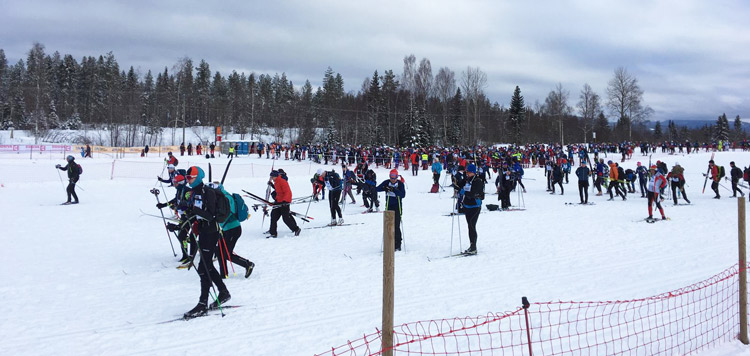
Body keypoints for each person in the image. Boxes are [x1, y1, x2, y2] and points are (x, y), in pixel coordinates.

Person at [182, 166, 231, 319]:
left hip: (211, 232)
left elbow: (209, 216)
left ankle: (203, 304)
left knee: (204, 266)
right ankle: (223, 292)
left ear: (197, 177)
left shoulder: (206, 192)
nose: (188, 180)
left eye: (190, 177)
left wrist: (194, 211)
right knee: (206, 265)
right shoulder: (195, 192)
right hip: (203, 231)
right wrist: (180, 224)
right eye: (187, 177)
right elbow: (195, 213)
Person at [211, 183, 255, 279]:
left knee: (227, 253)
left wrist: (215, 216)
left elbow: (227, 213)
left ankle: (248, 264)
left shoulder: (226, 197)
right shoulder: (219, 197)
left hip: (233, 229)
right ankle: (224, 274)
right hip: (226, 229)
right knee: (219, 252)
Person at [377, 169, 406, 251]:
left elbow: (403, 195)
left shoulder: (400, 184)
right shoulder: (387, 182)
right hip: (389, 206)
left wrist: (394, 190)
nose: (393, 179)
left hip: (397, 207)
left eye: (394, 177)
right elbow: (377, 189)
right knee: (388, 225)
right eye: (391, 177)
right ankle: (389, 243)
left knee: (396, 225)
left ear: (397, 177)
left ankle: (397, 244)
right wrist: (385, 188)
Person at [268, 170, 301, 238]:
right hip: (278, 202)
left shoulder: (282, 181)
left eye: (272, 177)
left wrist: (285, 201)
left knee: (286, 218)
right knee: (273, 217)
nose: (271, 178)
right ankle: (273, 233)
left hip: (284, 203)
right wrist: (271, 185)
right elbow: (278, 190)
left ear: (275, 176)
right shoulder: (276, 182)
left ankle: (296, 229)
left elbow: (288, 192)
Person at [459, 164, 483, 255]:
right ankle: (471, 245)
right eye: (466, 172)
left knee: (472, 226)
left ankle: (474, 247)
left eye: (468, 172)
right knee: (469, 226)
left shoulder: (478, 181)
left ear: (473, 172)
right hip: (467, 205)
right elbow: (460, 184)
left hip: (475, 206)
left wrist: (463, 192)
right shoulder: (467, 179)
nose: (467, 173)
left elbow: (473, 193)